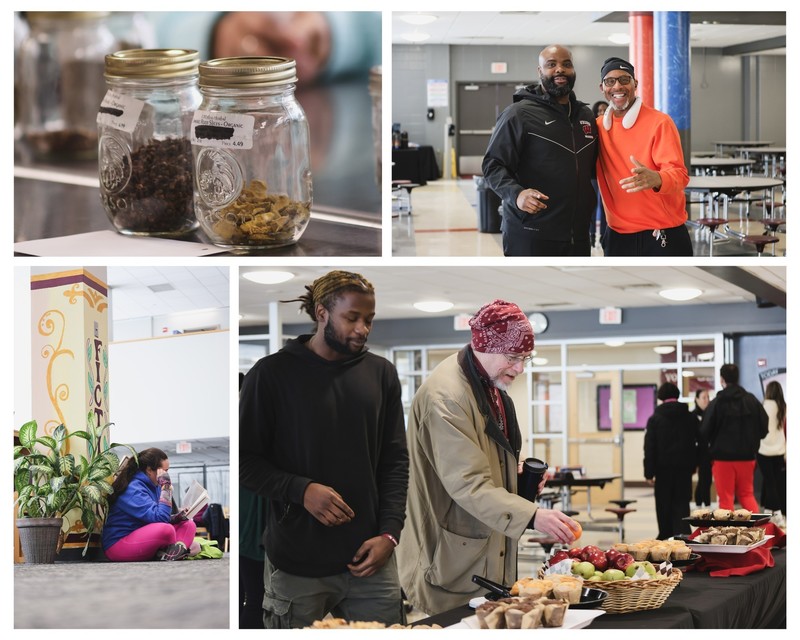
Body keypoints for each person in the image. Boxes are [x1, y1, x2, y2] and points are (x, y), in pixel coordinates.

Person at [239, 270, 409, 628]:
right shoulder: (270, 375)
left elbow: (394, 461)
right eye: (352, 318)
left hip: (371, 559)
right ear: (321, 313)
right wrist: (302, 491)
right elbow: (246, 461)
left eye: (369, 320)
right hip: (298, 562)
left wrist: (390, 533)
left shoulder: (381, 374)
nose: (362, 329)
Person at [397, 300, 578, 616]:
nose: (520, 368)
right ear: (485, 347)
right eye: (513, 357)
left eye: (525, 358)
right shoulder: (447, 399)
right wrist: (534, 515)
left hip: (483, 550)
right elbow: (468, 483)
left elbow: (481, 461)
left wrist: (515, 476)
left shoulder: (489, 386)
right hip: (451, 560)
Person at [482, 45, 598, 257]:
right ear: (539, 72)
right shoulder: (519, 114)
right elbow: (492, 166)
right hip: (530, 234)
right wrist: (517, 195)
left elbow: (595, 168)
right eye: (551, 65)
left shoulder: (585, 115)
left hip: (577, 235)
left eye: (566, 64)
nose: (559, 70)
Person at [595, 56, 692, 256]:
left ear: (635, 84)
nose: (617, 86)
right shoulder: (598, 127)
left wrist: (658, 178)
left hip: (662, 234)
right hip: (617, 236)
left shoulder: (659, 122)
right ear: (602, 88)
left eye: (624, 79)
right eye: (610, 81)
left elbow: (680, 175)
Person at [147, 12, 381, 86]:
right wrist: (214, 33)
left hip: (340, 93)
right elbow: (148, 22)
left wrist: (333, 28)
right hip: (209, 78)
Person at [102, 448, 200, 562]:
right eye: (164, 471)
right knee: (166, 530)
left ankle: (173, 552)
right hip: (118, 545)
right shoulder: (133, 489)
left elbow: (155, 517)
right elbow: (160, 519)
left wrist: (177, 517)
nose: (167, 475)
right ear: (149, 470)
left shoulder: (156, 485)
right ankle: (177, 551)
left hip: (143, 535)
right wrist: (166, 488)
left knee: (188, 524)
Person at [700, 364, 768, 512]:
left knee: (725, 499)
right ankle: (757, 531)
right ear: (737, 378)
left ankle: (727, 534)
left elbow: (704, 431)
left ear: (722, 379)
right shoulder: (751, 400)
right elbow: (764, 427)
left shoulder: (716, 403)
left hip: (722, 459)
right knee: (747, 495)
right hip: (747, 457)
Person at [643, 383, 698, 539]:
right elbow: (697, 442)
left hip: (662, 470)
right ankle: (682, 536)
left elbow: (649, 447)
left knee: (663, 504)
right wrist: (694, 464)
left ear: (661, 397)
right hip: (684, 469)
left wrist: (649, 472)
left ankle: (665, 537)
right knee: (682, 502)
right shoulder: (690, 417)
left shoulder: (655, 419)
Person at [757, 381, 786, 527]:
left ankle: (778, 514)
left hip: (764, 450)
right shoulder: (783, 406)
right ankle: (769, 512)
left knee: (769, 483)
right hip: (780, 450)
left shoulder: (764, 405)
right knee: (775, 483)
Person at [692, 389, 713, 507]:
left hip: (710, 452)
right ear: (697, 399)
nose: (707, 400)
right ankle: (703, 504)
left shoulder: (711, 414)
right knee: (704, 479)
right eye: (704, 397)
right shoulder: (693, 416)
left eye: (708, 397)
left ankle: (703, 503)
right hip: (699, 453)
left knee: (706, 479)